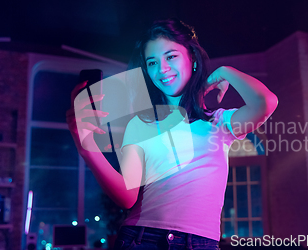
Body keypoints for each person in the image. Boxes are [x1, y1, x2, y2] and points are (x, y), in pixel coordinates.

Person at [66, 18, 278, 250]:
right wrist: (87, 148)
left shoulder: (219, 122)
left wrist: (224, 72)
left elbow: (266, 102)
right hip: (141, 239)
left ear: (193, 58)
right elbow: (127, 197)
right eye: (152, 62)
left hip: (200, 243)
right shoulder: (140, 124)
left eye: (171, 56)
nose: (162, 69)